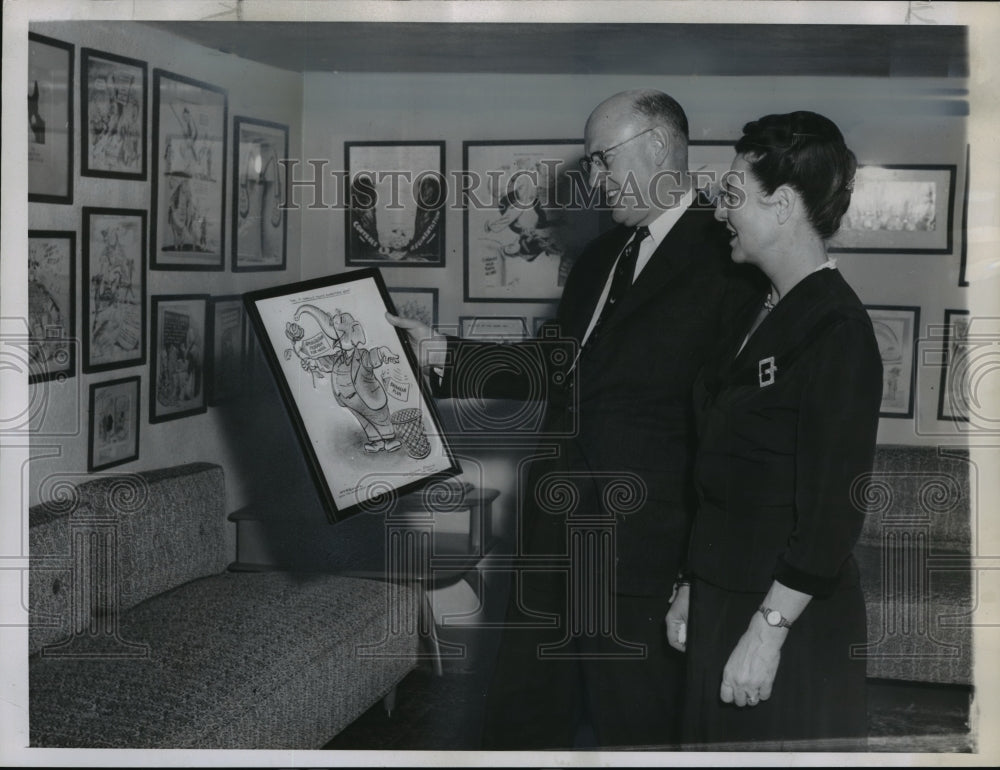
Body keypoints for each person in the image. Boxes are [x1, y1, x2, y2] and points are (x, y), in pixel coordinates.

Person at [389, 89, 761, 749]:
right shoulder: (599, 259)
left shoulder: (730, 258)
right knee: (527, 719)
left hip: (643, 553)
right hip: (552, 535)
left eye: (600, 161)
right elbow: (562, 366)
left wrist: (697, 573)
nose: (592, 180)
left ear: (657, 146)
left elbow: (733, 433)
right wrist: (444, 353)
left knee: (635, 726)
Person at [664, 111, 883, 747]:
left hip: (785, 622)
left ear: (783, 205)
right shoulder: (756, 307)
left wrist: (765, 635)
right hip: (722, 599)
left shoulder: (837, 331)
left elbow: (830, 519)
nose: (719, 212)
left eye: (733, 195)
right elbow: (718, 473)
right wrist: (690, 585)